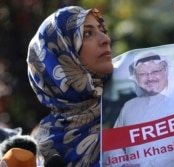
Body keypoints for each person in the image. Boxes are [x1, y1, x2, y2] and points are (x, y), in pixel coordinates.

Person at [26, 6, 113, 167]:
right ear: (60, 55)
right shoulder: (45, 146)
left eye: (102, 30)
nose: (105, 39)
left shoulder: (135, 103)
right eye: (87, 33)